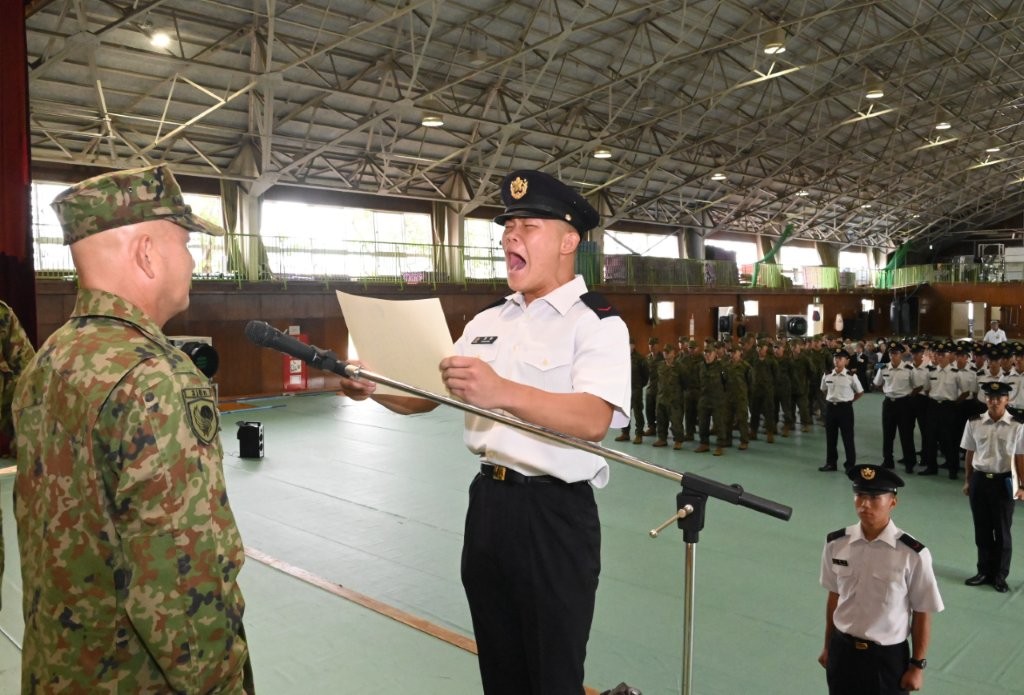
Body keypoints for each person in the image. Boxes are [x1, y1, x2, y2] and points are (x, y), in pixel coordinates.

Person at [340, 169, 630, 694]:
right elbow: (427, 395)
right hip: (489, 506)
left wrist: (501, 392)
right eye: (507, 226)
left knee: (552, 676)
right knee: (499, 669)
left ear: (570, 241)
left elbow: (594, 419)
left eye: (528, 225)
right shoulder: (487, 320)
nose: (509, 236)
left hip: (554, 515)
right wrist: (374, 389)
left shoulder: (598, 323)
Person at [12, 165, 254, 693]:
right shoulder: (154, 378)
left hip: (60, 669)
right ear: (147, 252)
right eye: (186, 243)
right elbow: (184, 583)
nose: (193, 260)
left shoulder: (50, 360)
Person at [819, 465, 944, 695]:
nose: (864, 505)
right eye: (859, 496)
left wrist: (917, 665)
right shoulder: (836, 544)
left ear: (892, 503)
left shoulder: (912, 554)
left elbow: (922, 612)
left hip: (886, 658)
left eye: (875, 498)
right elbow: (834, 597)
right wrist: (828, 646)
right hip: (843, 652)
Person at [961, 381, 1024, 593]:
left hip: (1004, 481)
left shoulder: (1018, 425)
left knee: (1003, 531)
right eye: (990, 397)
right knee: (982, 529)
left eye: (999, 398)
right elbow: (970, 452)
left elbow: (1020, 456)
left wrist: (1022, 485)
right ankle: (983, 571)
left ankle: (1000, 575)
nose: (994, 401)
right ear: (985, 398)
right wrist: (968, 480)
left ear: (1008, 400)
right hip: (980, 480)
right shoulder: (974, 422)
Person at [873, 343, 918, 471]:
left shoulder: (909, 369)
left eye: (896, 353)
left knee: (906, 434)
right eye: (891, 353)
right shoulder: (883, 368)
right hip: (888, 404)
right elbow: (877, 383)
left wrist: (907, 397)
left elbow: (915, 386)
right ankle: (888, 460)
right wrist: (887, 391)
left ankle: (910, 462)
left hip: (904, 404)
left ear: (901, 354)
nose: (893, 356)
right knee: (888, 434)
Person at [819, 349, 864, 472]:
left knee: (848, 438)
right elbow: (823, 389)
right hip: (831, 408)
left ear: (847, 361)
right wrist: (832, 397)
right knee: (830, 438)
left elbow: (860, 392)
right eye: (835, 358)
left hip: (845, 409)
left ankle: (850, 465)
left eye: (840, 358)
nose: (837, 360)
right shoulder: (827, 374)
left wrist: (849, 400)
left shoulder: (851, 376)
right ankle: (831, 463)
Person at [615, 336, 648, 444]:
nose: (628, 347)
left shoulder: (640, 359)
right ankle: (625, 433)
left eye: (630, 344)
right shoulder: (622, 358)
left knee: (638, 413)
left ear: (633, 346)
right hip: (624, 391)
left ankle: (639, 434)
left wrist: (639, 386)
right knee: (625, 412)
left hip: (635, 389)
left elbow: (645, 376)